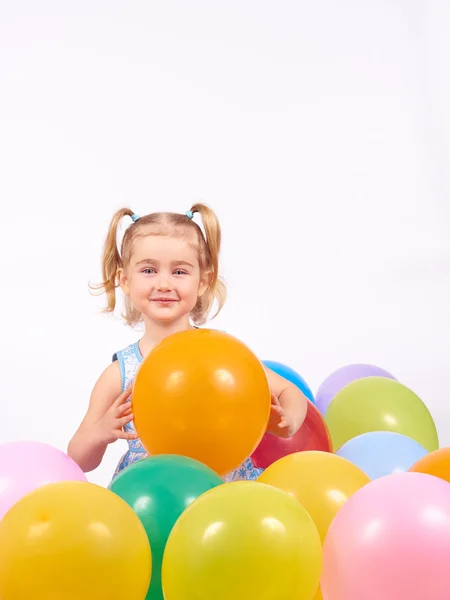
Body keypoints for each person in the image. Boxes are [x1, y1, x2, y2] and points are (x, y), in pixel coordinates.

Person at [67, 204, 308, 482]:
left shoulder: (221, 356)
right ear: (124, 279)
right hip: (154, 497)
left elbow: (290, 390)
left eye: (179, 272)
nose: (164, 283)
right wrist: (100, 433)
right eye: (148, 270)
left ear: (203, 281)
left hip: (221, 488)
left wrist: (288, 421)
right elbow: (78, 459)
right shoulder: (120, 373)